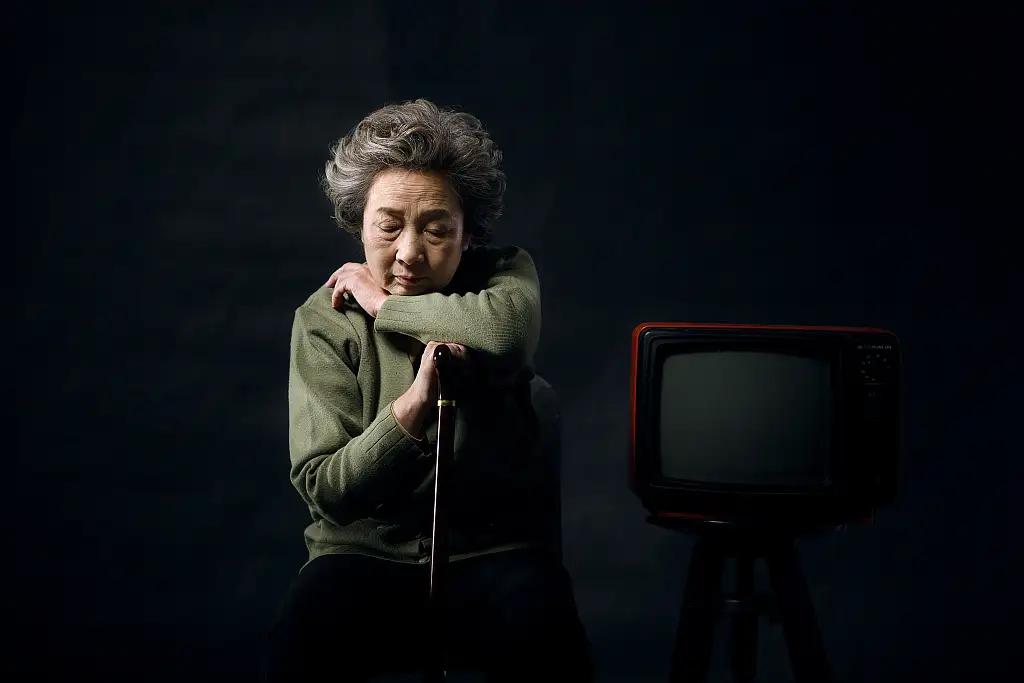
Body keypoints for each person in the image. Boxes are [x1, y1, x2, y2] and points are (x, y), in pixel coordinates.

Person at [264, 98, 593, 682]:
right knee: (305, 633)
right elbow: (327, 490)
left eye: (437, 230)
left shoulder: (504, 275)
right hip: (363, 556)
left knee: (547, 632)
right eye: (388, 226)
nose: (409, 253)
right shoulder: (323, 320)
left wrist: (383, 304)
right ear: (358, 222)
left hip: (493, 554)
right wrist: (410, 411)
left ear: (467, 235)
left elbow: (507, 333)